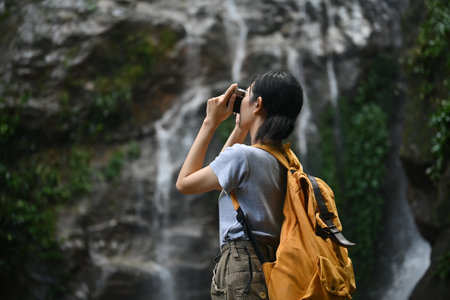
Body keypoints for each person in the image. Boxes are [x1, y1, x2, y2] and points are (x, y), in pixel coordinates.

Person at [176, 71, 303, 299]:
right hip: (272, 265)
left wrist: (210, 122)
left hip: (242, 265)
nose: (240, 101)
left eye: (246, 96)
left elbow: (185, 183)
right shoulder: (285, 162)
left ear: (258, 105)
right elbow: (221, 177)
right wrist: (241, 129)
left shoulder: (242, 158)